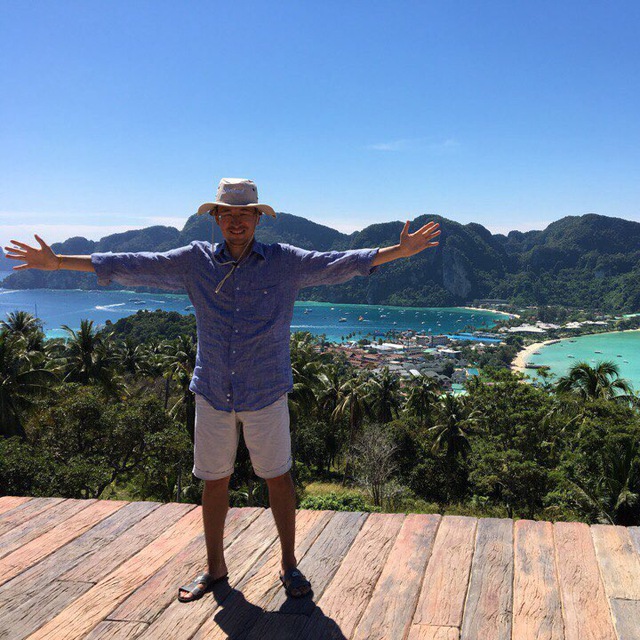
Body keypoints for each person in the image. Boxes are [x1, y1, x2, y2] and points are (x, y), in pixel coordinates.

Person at [4, 177, 440, 602]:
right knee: (214, 482)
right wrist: (59, 262)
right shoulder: (194, 261)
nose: (236, 220)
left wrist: (398, 252)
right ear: (215, 218)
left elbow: (338, 262)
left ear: (257, 218)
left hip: (266, 391)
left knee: (279, 479)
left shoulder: (285, 262)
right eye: (227, 213)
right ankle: (215, 568)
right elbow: (134, 262)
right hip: (212, 390)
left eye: (245, 213)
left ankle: (289, 564)